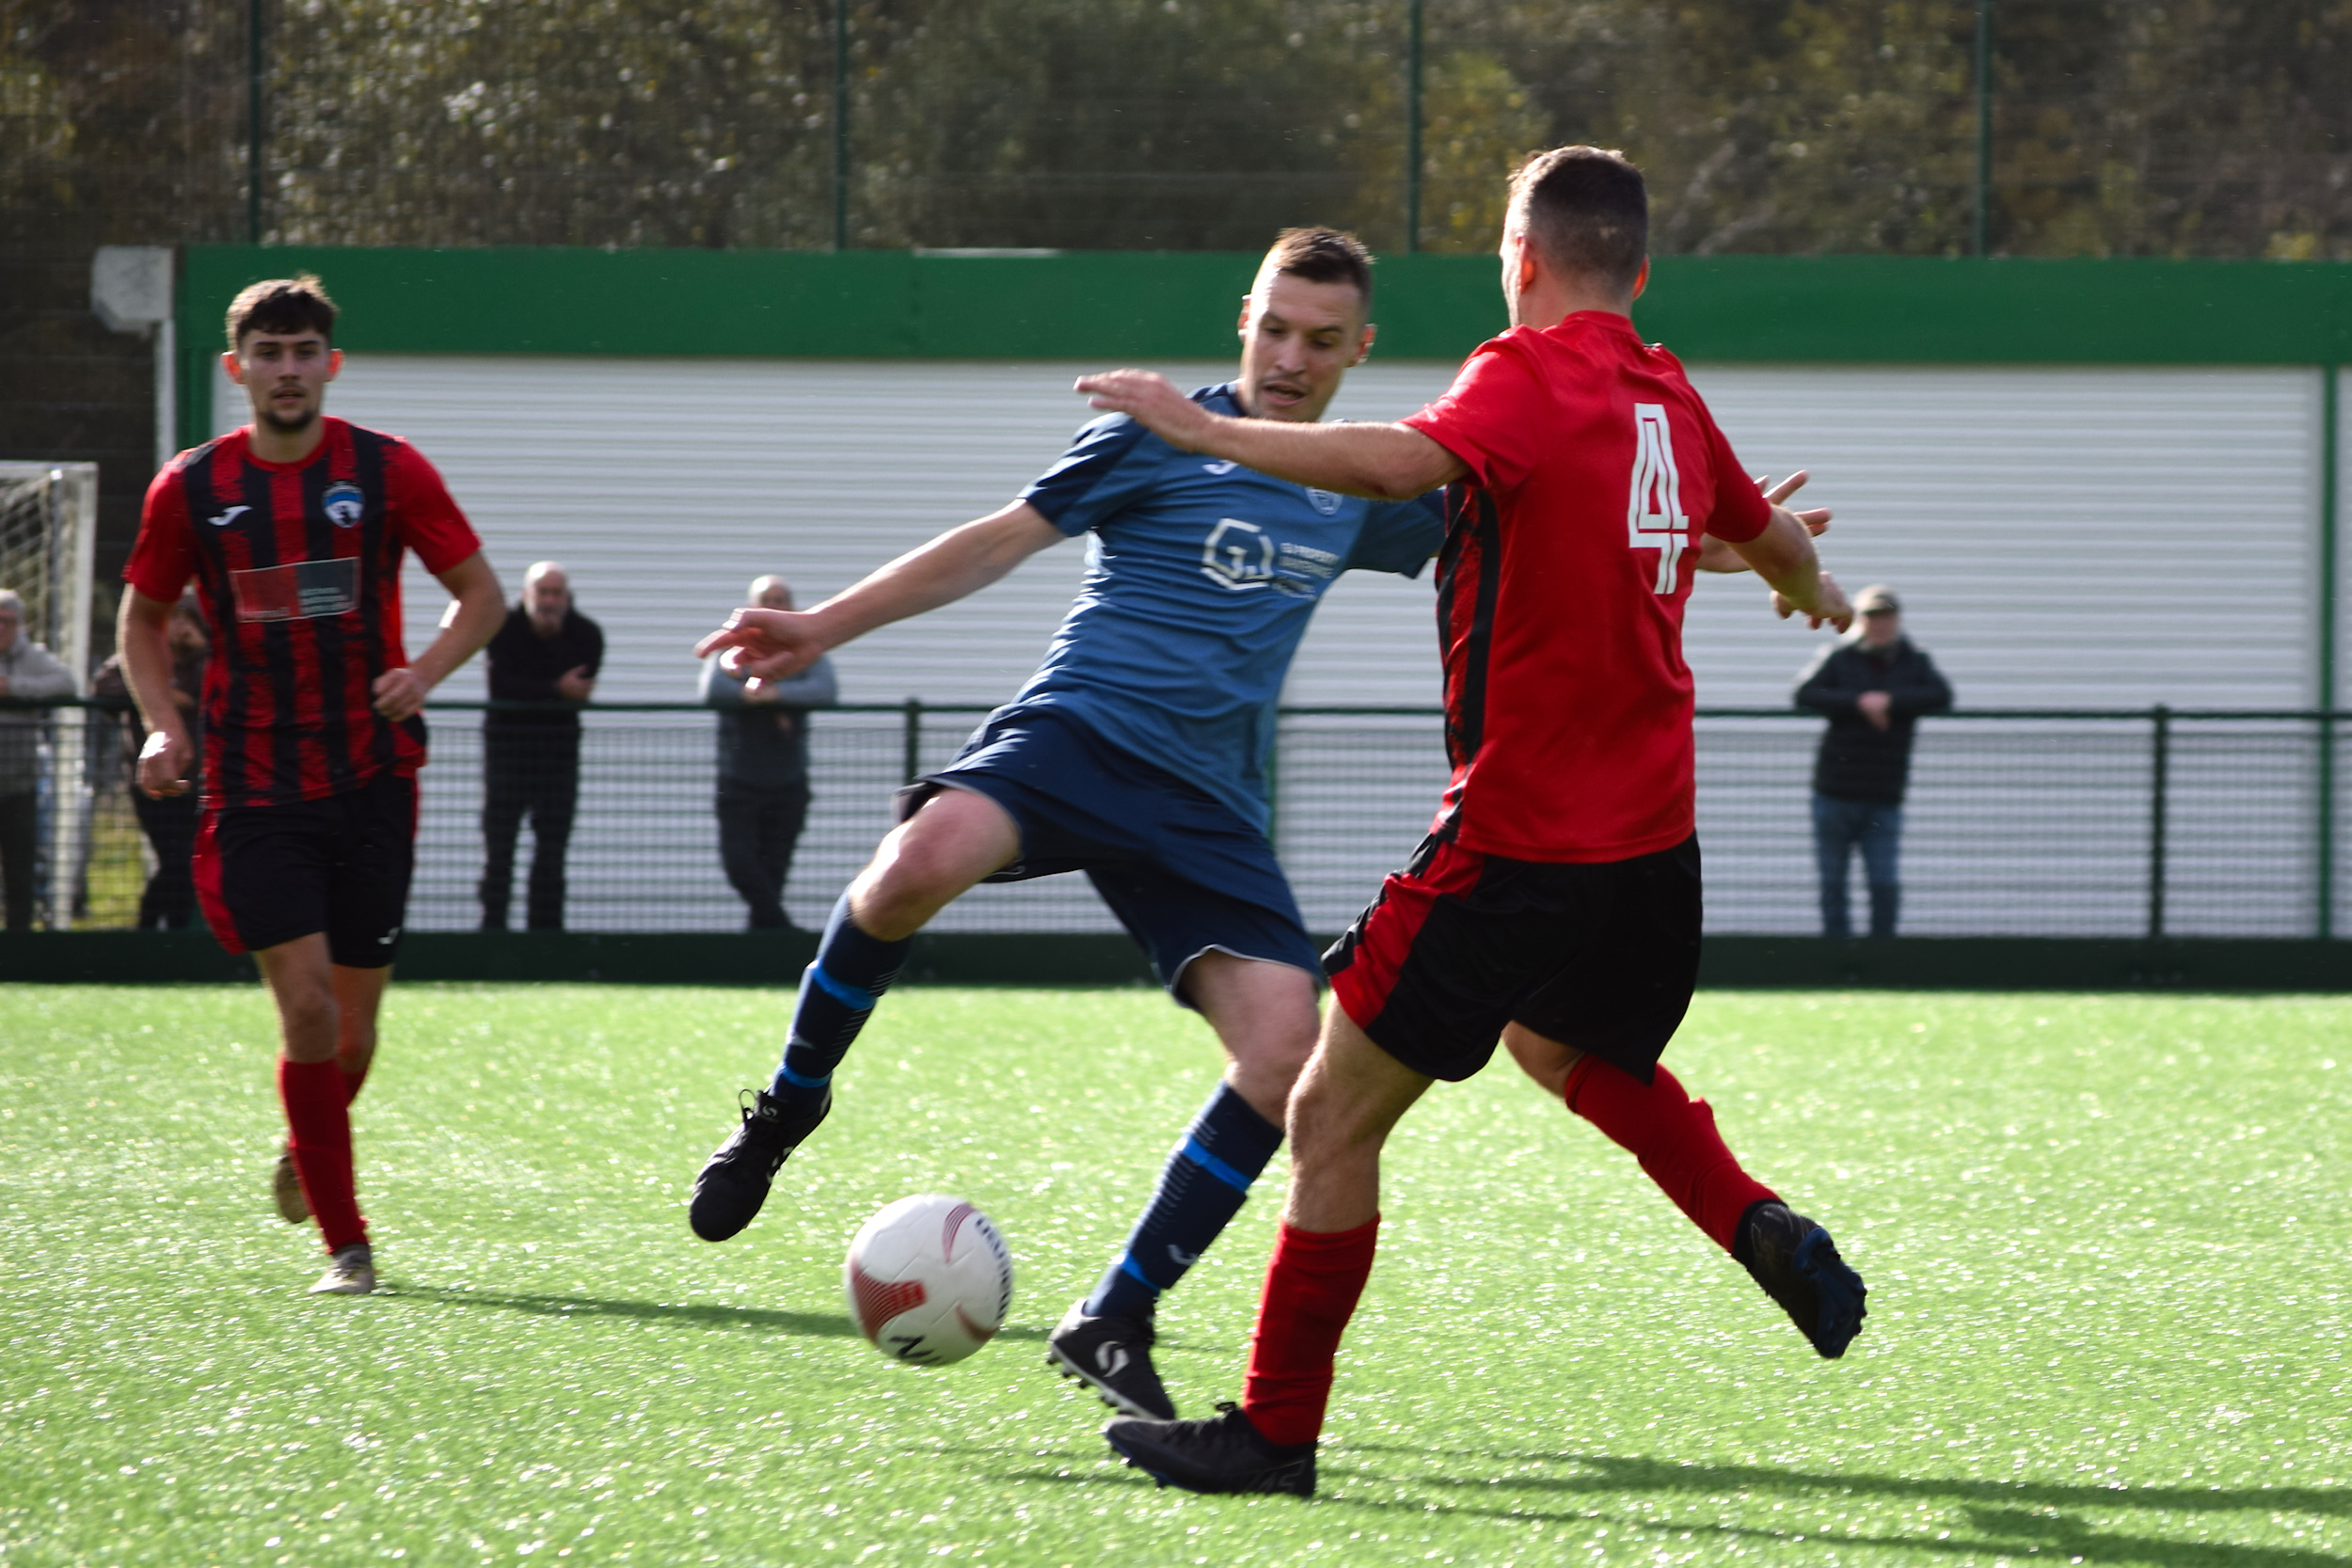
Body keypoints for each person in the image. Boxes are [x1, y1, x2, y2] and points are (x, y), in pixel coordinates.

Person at [691, 227, 1789, 1426]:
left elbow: (1549, 526)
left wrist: (1733, 550)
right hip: (1076, 737)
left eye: (1321, 340)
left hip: (1206, 801)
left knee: (1283, 1058)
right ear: (1244, 321)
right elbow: (1001, 537)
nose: (1290, 356)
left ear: (1357, 351)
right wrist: (822, 628)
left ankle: (1116, 1313)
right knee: (918, 862)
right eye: (1273, 327)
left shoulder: (1352, 483)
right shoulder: (1158, 432)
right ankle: (790, 1102)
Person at [1075, 146, 1869, 1496]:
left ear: (1521, 260)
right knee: (1566, 1045)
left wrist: (1208, 432)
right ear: (1643, 268)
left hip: (1518, 837)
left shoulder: (1522, 374)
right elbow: (1775, 545)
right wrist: (1827, 600)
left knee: (1328, 1112)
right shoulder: (1671, 399)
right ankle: (1754, 1218)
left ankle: (1273, 1431)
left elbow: (1395, 464)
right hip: (1651, 847)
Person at [118, 274, 504, 1295]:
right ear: (234, 367)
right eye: (268, 353)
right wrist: (165, 725)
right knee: (308, 1014)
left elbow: (481, 596)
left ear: (329, 364)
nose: (286, 370)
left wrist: (422, 671)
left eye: (303, 353)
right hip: (253, 782)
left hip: (372, 778)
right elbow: (141, 619)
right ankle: (350, 1244)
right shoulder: (190, 488)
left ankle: (308, 1142)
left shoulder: (386, 471)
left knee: (356, 1028)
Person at [1795, 583, 1952, 939]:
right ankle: (1836, 952)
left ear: (1897, 620)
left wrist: (1889, 701)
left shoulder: (1915, 660)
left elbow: (1941, 695)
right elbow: (1805, 694)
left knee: (1883, 880)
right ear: (1859, 620)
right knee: (1833, 880)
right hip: (1834, 789)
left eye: (1886, 617)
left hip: (1885, 791)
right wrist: (1859, 702)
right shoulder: (1839, 657)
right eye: (1871, 617)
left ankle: (1882, 952)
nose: (1879, 624)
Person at [700, 574, 836, 930]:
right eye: (767, 600)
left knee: (775, 868)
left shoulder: (804, 649)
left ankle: (762, 942)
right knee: (740, 863)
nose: (774, 606)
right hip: (738, 780)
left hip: (789, 780)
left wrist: (776, 697)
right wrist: (755, 696)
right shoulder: (735, 648)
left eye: (781, 599)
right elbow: (713, 690)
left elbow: (825, 689)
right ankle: (778, 928)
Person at [479, 561, 601, 930]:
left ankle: (546, 933)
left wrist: (543, 677)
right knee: (500, 849)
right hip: (507, 758)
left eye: (556, 593)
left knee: (552, 850)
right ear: (526, 594)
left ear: (567, 597)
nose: (549, 601)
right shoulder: (503, 628)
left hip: (558, 758)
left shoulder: (585, 634)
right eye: (542, 593)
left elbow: (578, 689)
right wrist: (552, 689)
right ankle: (492, 930)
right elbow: (503, 685)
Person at [92, 592, 209, 927]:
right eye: (175, 617)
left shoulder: (205, 660)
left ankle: (172, 932)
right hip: (153, 782)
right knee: (176, 861)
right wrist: (162, 695)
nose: (181, 626)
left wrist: (199, 650)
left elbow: (215, 691)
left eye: (188, 618)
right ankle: (148, 929)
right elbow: (106, 684)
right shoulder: (141, 658)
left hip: (200, 781)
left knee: (191, 862)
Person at [0, 587, 77, 931]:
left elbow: (66, 684)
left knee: (20, 868)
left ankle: (18, 944)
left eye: (7, 622)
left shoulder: (32, 657)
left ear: (19, 624)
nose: (1, 628)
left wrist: (13, 687)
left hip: (19, 783)